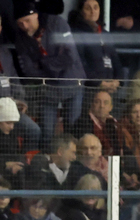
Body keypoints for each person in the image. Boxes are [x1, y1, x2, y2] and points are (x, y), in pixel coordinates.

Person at [12, 0, 86, 143]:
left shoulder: (57, 23)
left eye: (27, 21)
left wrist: (41, 63)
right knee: (46, 133)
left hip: (72, 82)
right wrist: (53, 65)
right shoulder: (21, 37)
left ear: (36, 15)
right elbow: (29, 71)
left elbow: (69, 56)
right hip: (48, 90)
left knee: (73, 130)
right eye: (20, 23)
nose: (25, 26)